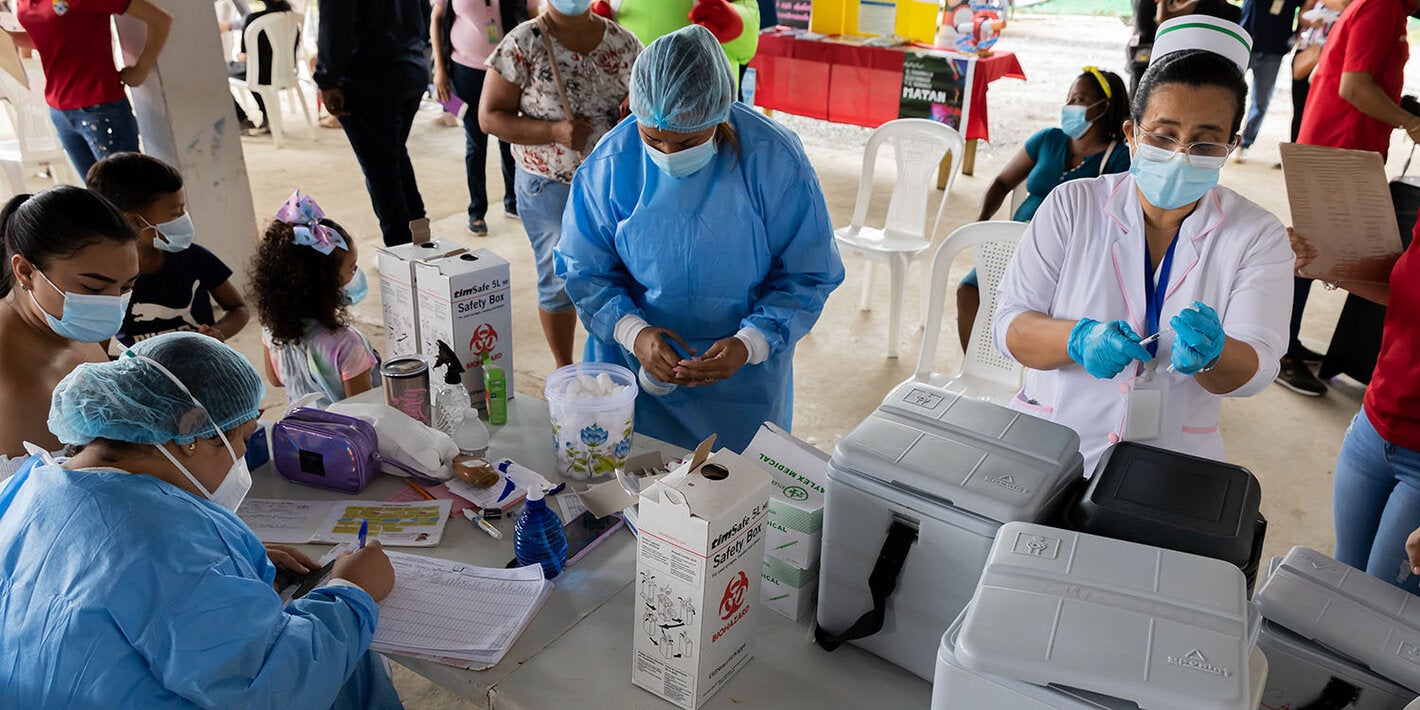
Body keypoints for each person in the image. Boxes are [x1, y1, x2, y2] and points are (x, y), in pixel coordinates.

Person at [0, 332, 402, 708]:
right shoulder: (173, 544)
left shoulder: (27, 486)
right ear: (191, 432)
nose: (242, 457)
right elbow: (274, 687)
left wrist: (225, 570)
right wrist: (353, 592)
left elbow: (100, 574)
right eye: (242, 439)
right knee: (350, 662)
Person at [993, 17, 1294, 475]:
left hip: (1170, 466)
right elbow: (1011, 328)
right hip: (1052, 442)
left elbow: (1258, 365)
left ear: (1231, 146)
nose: (1180, 154)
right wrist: (1077, 339)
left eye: (1205, 142)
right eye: (1163, 134)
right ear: (1131, 133)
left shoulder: (1257, 235)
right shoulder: (1074, 205)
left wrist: (1216, 356)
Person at [557, 25, 845, 453]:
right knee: (632, 492)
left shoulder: (772, 160)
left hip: (740, 385)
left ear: (719, 114)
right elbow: (585, 269)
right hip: (636, 367)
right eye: (652, 139)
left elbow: (807, 274)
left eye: (688, 141)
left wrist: (750, 344)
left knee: (731, 501)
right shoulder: (612, 163)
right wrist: (634, 331)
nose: (669, 156)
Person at [481, 0, 642, 368]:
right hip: (550, 187)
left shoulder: (624, 42)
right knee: (559, 281)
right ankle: (565, 369)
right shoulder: (524, 43)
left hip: (612, 186)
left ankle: (614, 362)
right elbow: (489, 117)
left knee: (618, 276)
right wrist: (553, 131)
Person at [1283, 0, 1417, 397]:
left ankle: (1287, 342)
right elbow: (1353, 86)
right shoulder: (1383, 6)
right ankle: (1281, 353)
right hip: (1337, 148)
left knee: (1320, 251)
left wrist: (1400, 107)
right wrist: (1408, 121)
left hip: (1343, 147)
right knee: (1312, 253)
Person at [957, 67, 1131, 351]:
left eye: (1080, 99)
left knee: (1036, 314)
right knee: (970, 291)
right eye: (1069, 98)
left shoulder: (1118, 158)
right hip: (1015, 244)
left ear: (1104, 107)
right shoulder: (1049, 139)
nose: (1070, 106)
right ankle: (979, 365)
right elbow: (1002, 182)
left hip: (1067, 256)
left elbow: (1119, 220)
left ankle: (1019, 377)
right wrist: (981, 223)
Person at [1292, 217, 1420, 593]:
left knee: (1382, 605)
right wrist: (1323, 265)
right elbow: (1404, 292)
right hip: (1372, 429)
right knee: (1344, 580)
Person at [0, 186, 139, 463]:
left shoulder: (69, 323)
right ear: (26, 272)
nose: (112, 304)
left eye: (127, 286)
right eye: (93, 288)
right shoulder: (11, 385)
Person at [84, 153, 250, 349]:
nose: (184, 219)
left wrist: (217, 334)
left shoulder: (194, 258)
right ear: (135, 220)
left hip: (200, 364)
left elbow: (238, 308)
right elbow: (98, 347)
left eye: (183, 210)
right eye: (175, 213)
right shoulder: (105, 279)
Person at [315, 0, 432, 246]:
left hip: (369, 76)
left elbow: (334, 23)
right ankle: (420, 237)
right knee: (393, 156)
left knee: (381, 171)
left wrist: (327, 79)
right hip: (411, 67)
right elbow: (424, 13)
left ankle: (401, 251)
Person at [13, 0, 171, 179]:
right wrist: (9, 38)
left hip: (100, 109)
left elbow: (160, 20)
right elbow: (50, 34)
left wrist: (141, 70)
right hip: (59, 111)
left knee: (127, 192)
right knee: (95, 198)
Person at [251, 191, 376, 407]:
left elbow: (275, 379)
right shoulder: (348, 344)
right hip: (343, 440)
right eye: (352, 268)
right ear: (326, 285)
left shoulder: (272, 328)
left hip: (296, 436)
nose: (356, 275)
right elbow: (363, 412)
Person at [431, 0, 537, 235]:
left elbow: (533, 17)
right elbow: (437, 19)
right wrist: (439, 68)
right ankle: (477, 211)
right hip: (465, 69)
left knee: (508, 137)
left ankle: (513, 202)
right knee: (475, 142)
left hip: (507, 69)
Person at [1235, 0, 1303, 162]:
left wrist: (1295, 37)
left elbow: (1305, 11)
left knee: (1261, 102)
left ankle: (1245, 143)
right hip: (1246, 43)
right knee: (1230, 94)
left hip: (1274, 51)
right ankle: (1226, 136)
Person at [229, 0, 299, 136]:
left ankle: (241, 118)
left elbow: (245, 56)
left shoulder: (254, 19)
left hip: (259, 75)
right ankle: (266, 116)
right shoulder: (292, 18)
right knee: (255, 70)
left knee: (224, 70)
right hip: (286, 73)